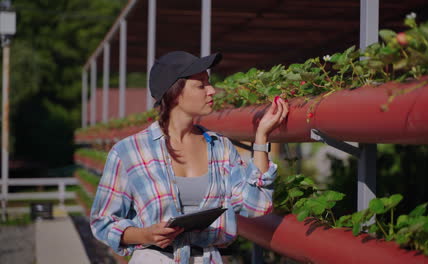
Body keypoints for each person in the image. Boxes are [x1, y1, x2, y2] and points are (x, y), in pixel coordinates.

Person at [90, 51, 289, 264]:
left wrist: (261, 137)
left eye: (209, 83)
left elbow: (257, 205)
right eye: (201, 85)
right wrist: (144, 235)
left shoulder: (220, 147)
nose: (212, 90)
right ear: (175, 92)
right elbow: (102, 222)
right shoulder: (128, 151)